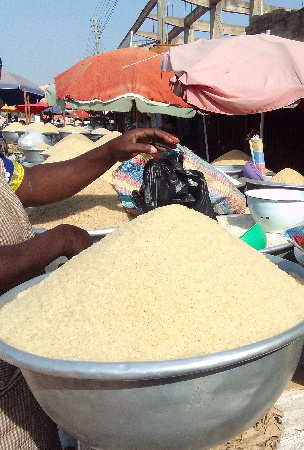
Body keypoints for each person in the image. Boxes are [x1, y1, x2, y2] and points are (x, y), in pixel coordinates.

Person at [0, 127, 179, 449]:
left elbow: (26, 184)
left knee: (34, 431)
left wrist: (109, 153)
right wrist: (60, 239)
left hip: (16, 347)